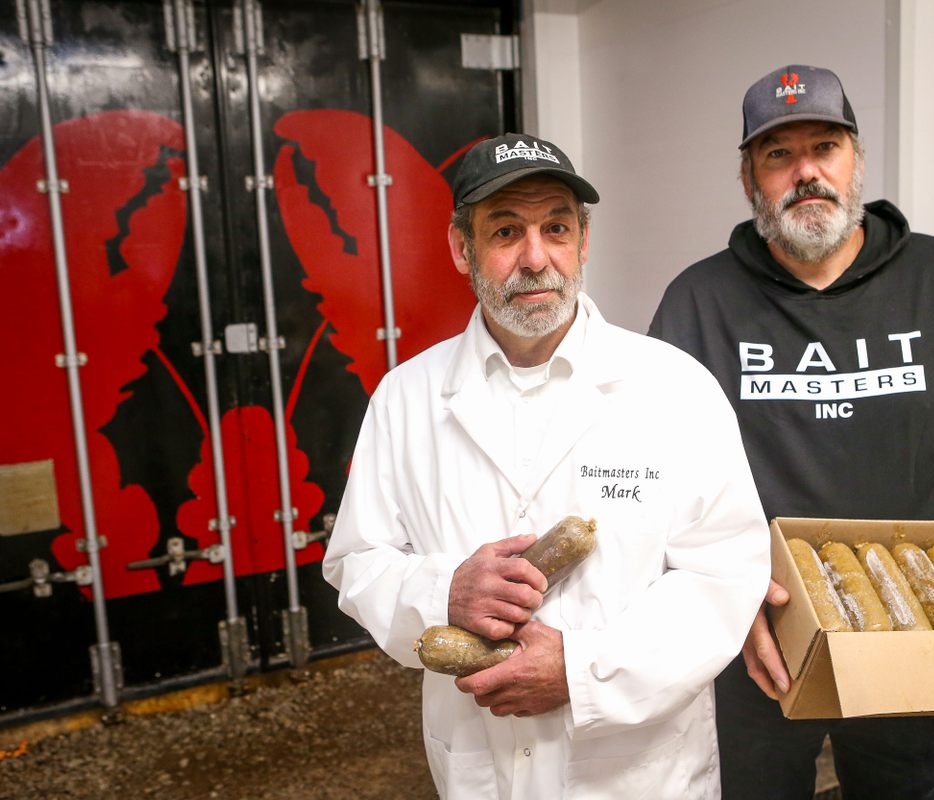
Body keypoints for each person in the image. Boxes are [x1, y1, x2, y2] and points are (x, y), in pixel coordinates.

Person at [649, 65, 934, 799]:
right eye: (778, 155)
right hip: (759, 631)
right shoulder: (701, 300)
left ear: (856, 158)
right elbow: (657, 471)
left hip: (913, 625)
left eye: (825, 146)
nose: (806, 172)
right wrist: (713, 596)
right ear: (750, 179)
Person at [323, 132, 769, 799]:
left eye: (555, 228)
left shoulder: (675, 389)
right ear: (461, 248)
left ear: (582, 241)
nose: (537, 259)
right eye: (506, 231)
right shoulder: (406, 399)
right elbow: (358, 562)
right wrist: (443, 592)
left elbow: (723, 576)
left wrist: (584, 671)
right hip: (481, 769)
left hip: (641, 775)